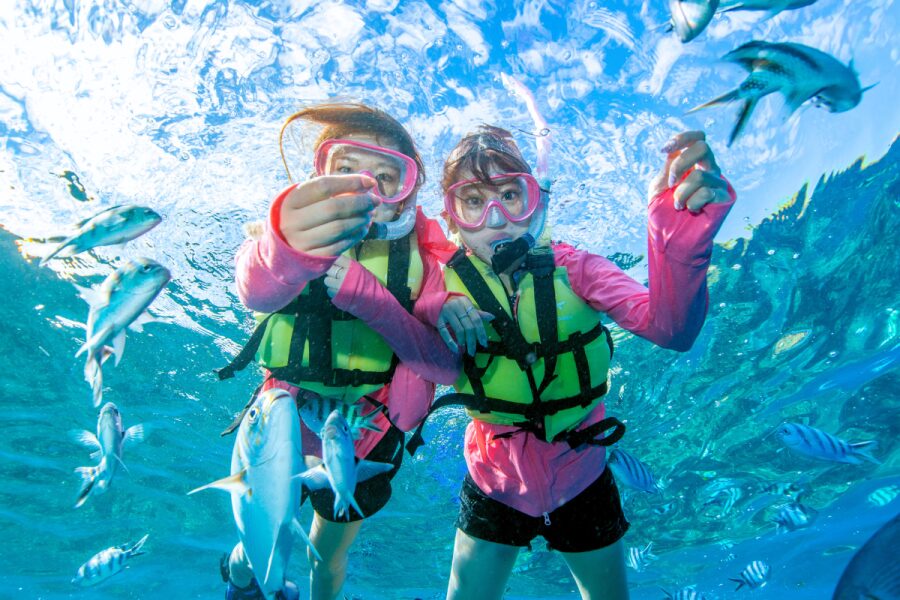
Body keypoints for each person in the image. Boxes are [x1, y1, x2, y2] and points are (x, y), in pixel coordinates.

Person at [410, 125, 735, 599]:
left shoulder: (578, 268)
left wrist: (679, 247)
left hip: (582, 479)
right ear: (453, 220)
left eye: (508, 194)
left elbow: (672, 332)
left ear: (535, 201)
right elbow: (406, 335)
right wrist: (430, 306)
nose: (496, 217)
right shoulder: (440, 285)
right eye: (474, 201)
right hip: (493, 484)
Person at [218, 103, 459, 600]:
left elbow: (446, 367)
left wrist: (374, 300)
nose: (364, 187)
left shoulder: (429, 260)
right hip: (282, 421)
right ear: (318, 175)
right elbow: (255, 288)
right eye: (345, 169)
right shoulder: (285, 234)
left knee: (325, 555)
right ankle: (242, 575)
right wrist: (283, 248)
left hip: (368, 435)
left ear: (407, 195)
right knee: (261, 538)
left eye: (387, 176)